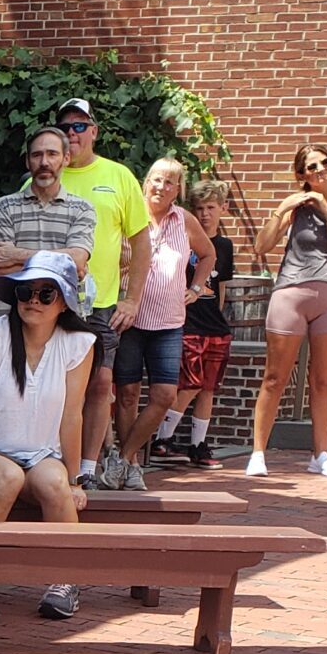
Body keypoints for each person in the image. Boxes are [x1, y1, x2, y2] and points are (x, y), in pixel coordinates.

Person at [0, 252, 95, 622]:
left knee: (55, 483)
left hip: (44, 455)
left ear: (64, 302)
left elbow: (73, 416)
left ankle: (65, 581)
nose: (32, 301)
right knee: (7, 475)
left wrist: (74, 479)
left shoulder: (78, 343)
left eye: (45, 294)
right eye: (26, 292)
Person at [52, 99, 151, 491]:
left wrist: (132, 299)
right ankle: (57, 459)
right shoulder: (43, 174)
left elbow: (141, 243)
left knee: (100, 384)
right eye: (65, 126)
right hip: (50, 301)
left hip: (102, 302)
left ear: (94, 131)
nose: (72, 133)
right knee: (55, 385)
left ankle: (88, 468)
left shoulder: (119, 176)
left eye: (80, 126)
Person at [248, 144, 327, 478]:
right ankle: (258, 453)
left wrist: (326, 208)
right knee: (275, 377)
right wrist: (283, 207)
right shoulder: (295, 205)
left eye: (325, 162)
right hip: (292, 290)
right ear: (301, 175)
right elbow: (261, 246)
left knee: (323, 379)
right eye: (312, 166)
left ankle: (321, 454)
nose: (321, 169)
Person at [110, 159, 215, 491]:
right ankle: (132, 468)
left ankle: (124, 458)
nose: (162, 187)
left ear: (179, 189)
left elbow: (209, 255)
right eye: (157, 179)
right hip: (129, 319)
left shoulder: (185, 220)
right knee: (127, 394)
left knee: (165, 395)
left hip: (168, 322)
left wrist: (196, 288)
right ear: (145, 182)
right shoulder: (128, 213)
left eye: (170, 182)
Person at [152, 180, 236, 470]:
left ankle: (198, 444)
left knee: (208, 388)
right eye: (199, 208)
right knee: (189, 383)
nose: (204, 214)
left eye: (211, 207)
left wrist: (220, 316)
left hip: (215, 324)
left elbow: (221, 287)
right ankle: (163, 440)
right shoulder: (183, 241)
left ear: (222, 209)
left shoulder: (224, 246)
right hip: (188, 322)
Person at [0, 127, 94, 298]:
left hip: (62, 316)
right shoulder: (5, 207)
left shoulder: (82, 209)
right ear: (28, 162)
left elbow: (78, 259)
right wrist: (65, 268)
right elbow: (1, 268)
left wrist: (16, 255)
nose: (44, 162)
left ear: (66, 158)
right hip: (10, 315)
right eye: (37, 155)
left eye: (52, 154)